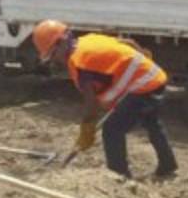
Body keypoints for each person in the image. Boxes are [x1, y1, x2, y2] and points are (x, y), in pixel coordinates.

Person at [32, 20, 177, 179]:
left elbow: (91, 104)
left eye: (52, 54)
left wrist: (87, 129)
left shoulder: (79, 62)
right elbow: (127, 42)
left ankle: (118, 176)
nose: (54, 60)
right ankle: (168, 165)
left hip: (143, 87)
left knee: (111, 129)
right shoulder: (87, 40)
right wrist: (143, 57)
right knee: (151, 122)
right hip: (155, 78)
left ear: (61, 43)